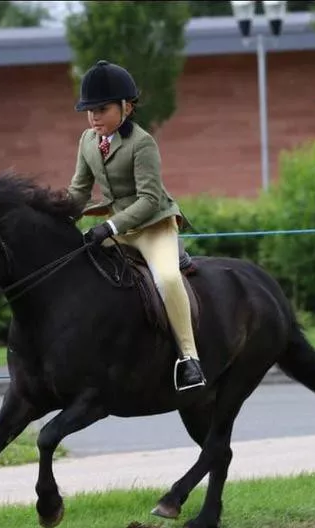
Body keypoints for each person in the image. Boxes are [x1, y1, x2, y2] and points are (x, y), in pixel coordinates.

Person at [65, 59, 206, 393]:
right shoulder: (87, 141)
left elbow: (149, 200)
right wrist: (53, 214)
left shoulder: (142, 143)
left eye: (101, 109)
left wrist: (111, 227)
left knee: (168, 279)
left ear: (126, 107)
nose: (94, 117)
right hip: (117, 227)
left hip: (153, 226)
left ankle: (190, 359)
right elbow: (79, 191)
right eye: (89, 110)